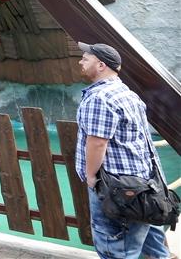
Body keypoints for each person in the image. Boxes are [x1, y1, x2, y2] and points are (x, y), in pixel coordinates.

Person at [75, 42, 170, 259]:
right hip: (144, 187)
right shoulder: (128, 94)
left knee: (116, 250)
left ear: (101, 65)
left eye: (85, 58)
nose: (80, 61)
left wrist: (91, 177)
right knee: (156, 250)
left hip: (117, 189)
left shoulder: (99, 98)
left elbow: (98, 142)